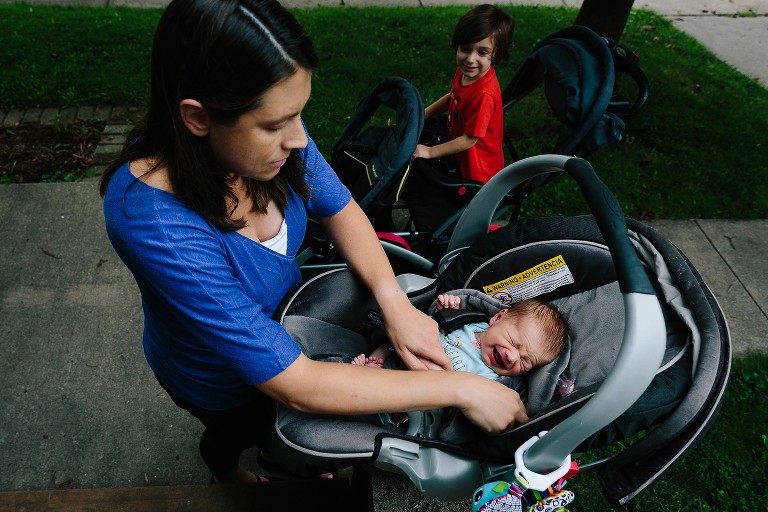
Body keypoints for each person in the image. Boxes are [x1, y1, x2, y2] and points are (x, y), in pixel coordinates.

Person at [99, 0, 527, 485]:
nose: (300, 139)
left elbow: (339, 205)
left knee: (291, 444)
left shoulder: (275, 149)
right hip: (218, 378)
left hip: (295, 328)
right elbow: (297, 385)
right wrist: (465, 389)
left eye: (298, 113)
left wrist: (396, 304)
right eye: (274, 124)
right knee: (233, 431)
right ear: (198, 117)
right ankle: (225, 470)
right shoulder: (153, 221)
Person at [404, 4, 514, 242]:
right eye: (466, 49)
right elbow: (452, 96)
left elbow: (469, 139)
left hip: (476, 171)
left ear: (496, 54)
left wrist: (430, 151)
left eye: (482, 52)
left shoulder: (484, 94)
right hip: (460, 154)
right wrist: (427, 112)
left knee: (451, 208)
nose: (470, 59)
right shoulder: (466, 74)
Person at [353, 293, 568, 380]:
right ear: (498, 318)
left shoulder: (493, 379)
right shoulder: (471, 320)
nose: (512, 357)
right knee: (392, 342)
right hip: (411, 350)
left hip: (424, 384)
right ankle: (374, 364)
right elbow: (435, 325)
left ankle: (376, 381)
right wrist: (445, 309)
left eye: (525, 362)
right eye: (513, 343)